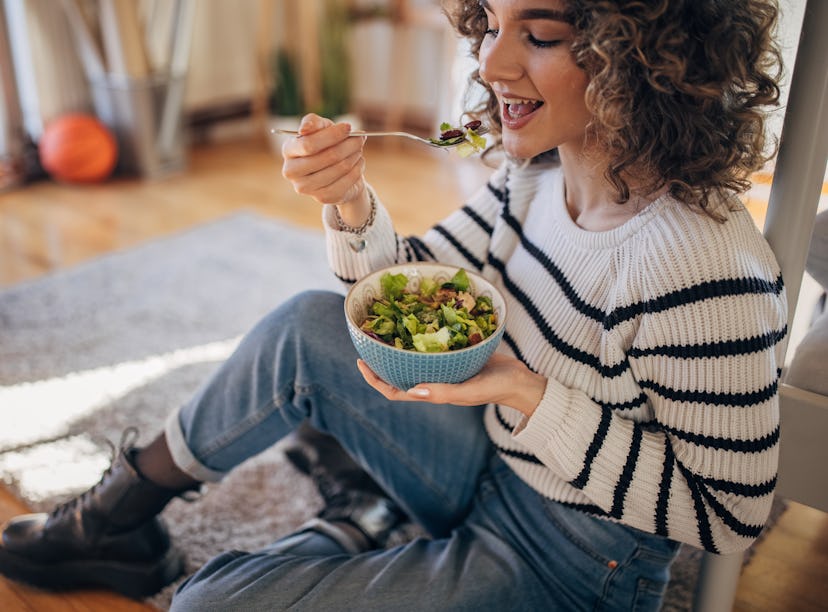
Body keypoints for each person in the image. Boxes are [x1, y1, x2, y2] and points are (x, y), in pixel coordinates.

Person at [0, 0, 787, 610]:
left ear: (645, 59)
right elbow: (408, 280)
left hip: (579, 560)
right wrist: (349, 203)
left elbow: (725, 516)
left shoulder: (705, 267)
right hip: (488, 459)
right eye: (492, 22)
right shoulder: (539, 174)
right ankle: (115, 520)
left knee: (208, 602)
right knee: (309, 324)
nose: (492, 61)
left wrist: (527, 391)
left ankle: (362, 523)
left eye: (539, 36)